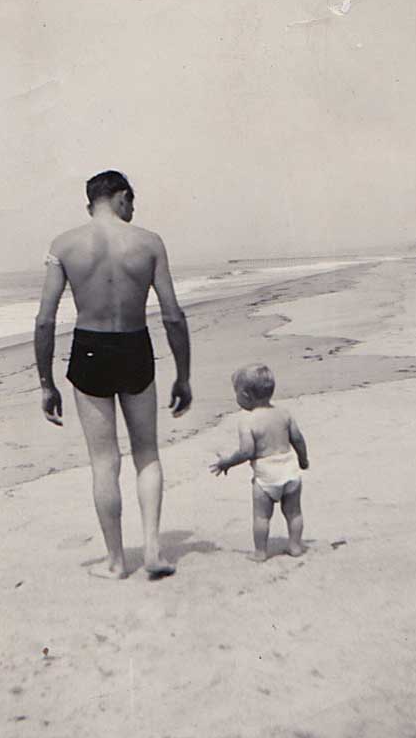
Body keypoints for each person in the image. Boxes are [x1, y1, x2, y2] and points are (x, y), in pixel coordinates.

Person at [34, 170, 192, 579]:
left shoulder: (63, 245)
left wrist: (46, 383)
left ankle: (117, 561)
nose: (133, 210)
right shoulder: (150, 243)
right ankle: (154, 551)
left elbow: (45, 322)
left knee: (104, 463)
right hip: (135, 346)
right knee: (147, 455)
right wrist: (183, 375)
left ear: (91, 204)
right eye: (131, 202)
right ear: (121, 197)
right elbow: (173, 315)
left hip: (89, 350)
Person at [209, 364, 308, 562]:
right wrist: (303, 460)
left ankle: (261, 552)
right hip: (289, 469)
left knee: (262, 517)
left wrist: (227, 463)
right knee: (294, 512)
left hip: (266, 474)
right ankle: (295, 546)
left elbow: (247, 451)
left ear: (245, 395)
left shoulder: (248, 421)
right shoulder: (284, 413)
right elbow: (297, 438)